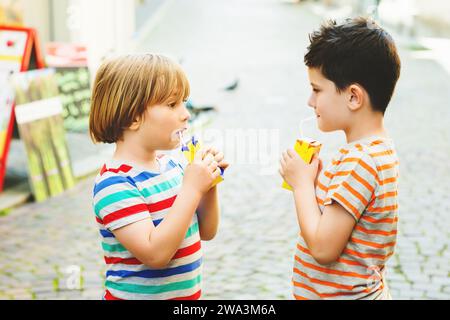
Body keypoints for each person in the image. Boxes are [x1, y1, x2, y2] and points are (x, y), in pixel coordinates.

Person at [279, 17, 401, 299]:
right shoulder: (378, 150)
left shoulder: (360, 160)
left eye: (317, 89)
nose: (310, 102)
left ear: (354, 97)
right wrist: (318, 182)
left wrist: (301, 185)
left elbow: (323, 248)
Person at [89, 54, 228, 300]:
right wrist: (192, 189)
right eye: (172, 104)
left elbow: (206, 231)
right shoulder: (115, 184)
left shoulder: (173, 165)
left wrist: (208, 184)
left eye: (184, 102)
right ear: (134, 117)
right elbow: (155, 254)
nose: (186, 114)